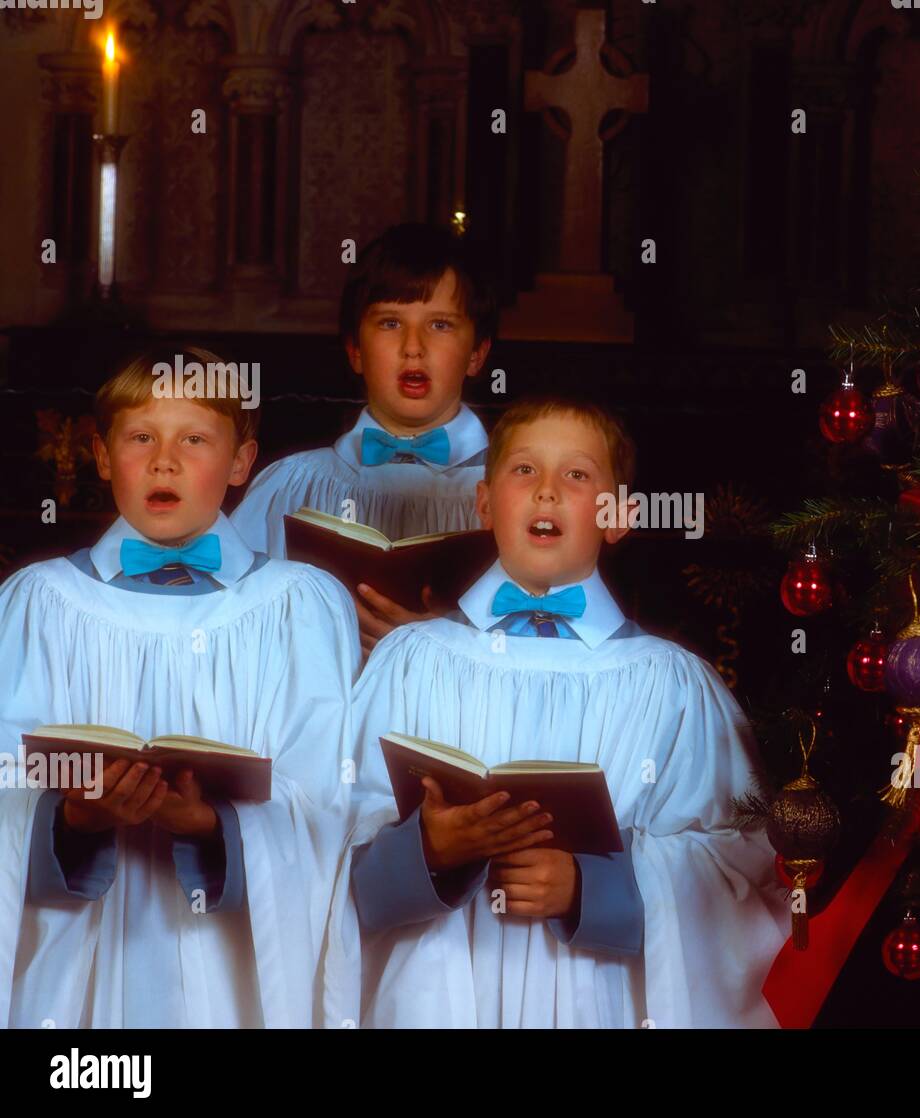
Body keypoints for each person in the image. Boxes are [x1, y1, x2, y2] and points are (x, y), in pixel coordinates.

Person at [323, 398, 787, 1028]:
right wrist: (428, 850)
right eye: (523, 471)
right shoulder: (411, 660)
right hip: (433, 998)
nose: (546, 492)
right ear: (484, 504)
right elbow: (325, 838)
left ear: (619, 516)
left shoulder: (673, 685)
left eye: (576, 475)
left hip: (597, 1002)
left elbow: (739, 868)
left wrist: (590, 889)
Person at [0, 345, 359, 1027]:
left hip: (233, 973)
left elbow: (327, 801)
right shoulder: (37, 603)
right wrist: (74, 820)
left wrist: (211, 825)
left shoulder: (298, 605)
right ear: (103, 457)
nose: (164, 461)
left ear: (242, 462)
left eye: (194, 439)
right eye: (141, 438)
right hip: (76, 966)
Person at [231, 223, 496, 653]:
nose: (414, 347)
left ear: (477, 353)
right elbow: (230, 623)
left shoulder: (517, 495)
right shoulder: (289, 484)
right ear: (355, 349)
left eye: (441, 326)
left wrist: (448, 645)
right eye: (391, 322)